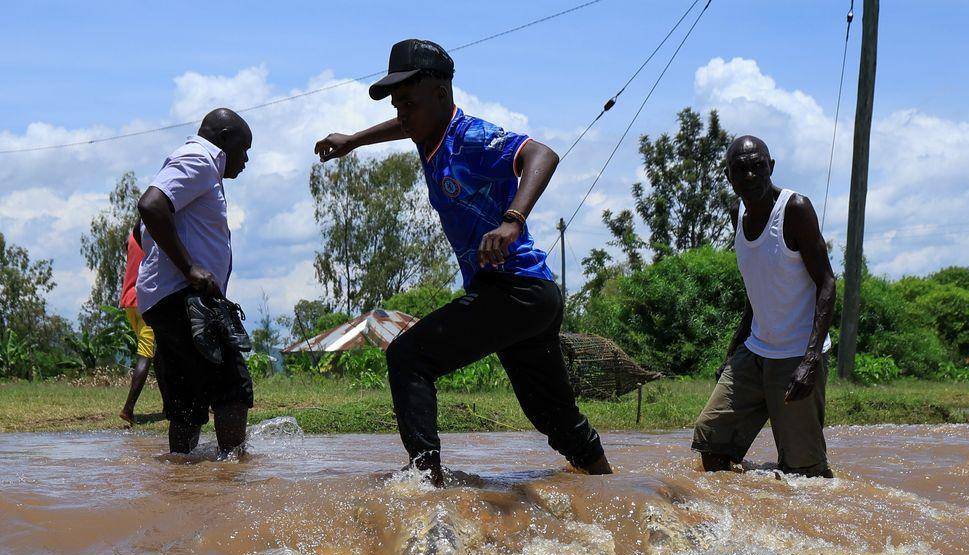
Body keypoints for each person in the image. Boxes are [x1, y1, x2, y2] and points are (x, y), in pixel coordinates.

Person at [316, 38, 611, 486]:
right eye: (397, 105)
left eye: (408, 103)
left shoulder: (469, 137)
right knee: (553, 416)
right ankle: (608, 488)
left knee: (409, 357)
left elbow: (541, 154)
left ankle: (425, 484)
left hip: (516, 289)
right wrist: (354, 141)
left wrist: (513, 219)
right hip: (525, 297)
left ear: (441, 94)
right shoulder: (425, 132)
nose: (402, 115)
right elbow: (401, 128)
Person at [690, 135, 839, 478]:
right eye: (741, 170)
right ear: (729, 177)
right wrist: (733, 349)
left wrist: (811, 359)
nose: (751, 176)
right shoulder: (736, 214)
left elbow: (827, 283)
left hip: (797, 355)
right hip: (754, 351)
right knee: (713, 443)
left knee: (806, 474)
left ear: (771, 167)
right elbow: (757, 289)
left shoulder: (795, 210)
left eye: (758, 167)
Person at [134, 108, 256, 457]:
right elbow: (151, 206)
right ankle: (231, 477)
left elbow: (143, 223)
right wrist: (190, 269)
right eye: (244, 148)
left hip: (165, 300)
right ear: (224, 138)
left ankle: (183, 480)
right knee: (232, 387)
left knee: (185, 400)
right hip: (187, 298)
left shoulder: (192, 165)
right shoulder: (200, 159)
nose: (246, 159)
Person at [117, 228, 157, 426]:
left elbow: (126, 246)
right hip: (146, 301)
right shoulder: (156, 235)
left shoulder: (132, 236)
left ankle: (169, 405)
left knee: (159, 354)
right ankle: (128, 408)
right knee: (146, 355)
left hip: (129, 302)